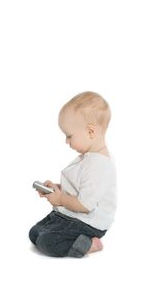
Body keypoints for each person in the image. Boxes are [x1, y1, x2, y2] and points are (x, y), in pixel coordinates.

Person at [29, 91, 117, 257]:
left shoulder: (99, 165)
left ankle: (90, 244)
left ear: (90, 132)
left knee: (47, 243)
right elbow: (80, 187)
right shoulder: (87, 158)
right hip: (71, 215)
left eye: (69, 136)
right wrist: (58, 189)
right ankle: (73, 238)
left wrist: (61, 199)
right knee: (35, 233)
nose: (67, 141)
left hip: (87, 222)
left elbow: (85, 205)